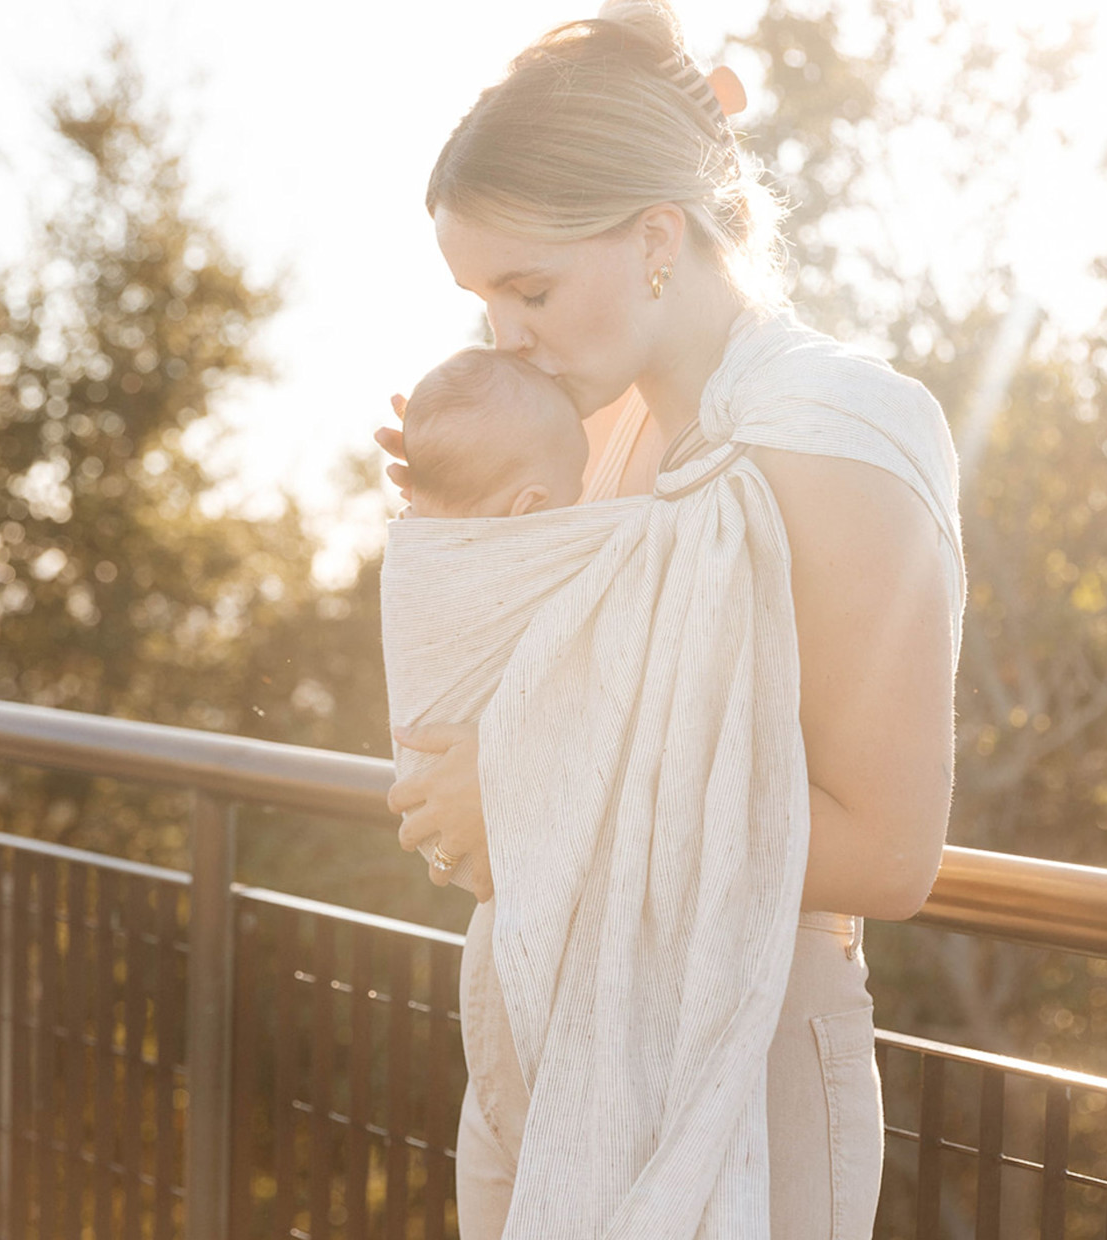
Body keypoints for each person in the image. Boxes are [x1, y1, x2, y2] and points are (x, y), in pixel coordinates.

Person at [375, 2, 966, 1236]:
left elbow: (891, 849)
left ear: (657, 237)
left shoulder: (838, 432)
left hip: (739, 1053)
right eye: (486, 298)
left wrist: (536, 795)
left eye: (527, 287)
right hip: (538, 1040)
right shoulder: (581, 436)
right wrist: (457, 524)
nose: (506, 334)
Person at [399, 346, 589, 519]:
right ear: (530, 507)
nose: (583, 503)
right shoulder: (540, 554)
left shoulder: (406, 541)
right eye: (574, 501)